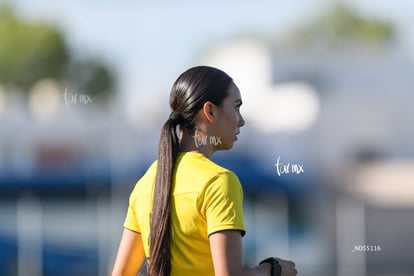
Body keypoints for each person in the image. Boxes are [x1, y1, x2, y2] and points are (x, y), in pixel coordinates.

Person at [111, 66, 297, 276]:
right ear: (210, 111)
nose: (241, 120)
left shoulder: (146, 183)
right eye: (236, 107)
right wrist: (274, 270)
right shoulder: (219, 182)